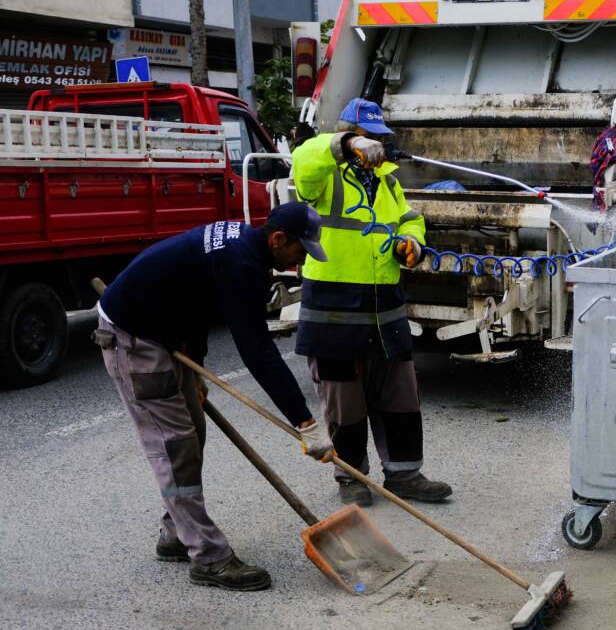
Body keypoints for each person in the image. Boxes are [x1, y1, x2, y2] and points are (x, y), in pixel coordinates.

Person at [94, 202, 338, 592]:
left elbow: (197, 298)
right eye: (299, 252)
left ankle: (176, 534)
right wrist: (304, 422)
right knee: (176, 448)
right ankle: (208, 557)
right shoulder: (243, 264)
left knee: (193, 431)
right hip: (133, 340)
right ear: (278, 239)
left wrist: (195, 364)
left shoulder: (246, 247)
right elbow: (257, 350)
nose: (300, 263)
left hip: (163, 332)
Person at [291, 98, 452, 507]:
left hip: (385, 310)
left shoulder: (389, 183)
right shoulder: (325, 178)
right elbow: (304, 159)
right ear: (349, 137)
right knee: (345, 403)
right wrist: (345, 145)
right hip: (334, 309)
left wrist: (412, 243)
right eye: (368, 140)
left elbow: (409, 219)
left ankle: (405, 475)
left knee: (400, 396)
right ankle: (351, 478)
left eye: (379, 140)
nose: (376, 149)